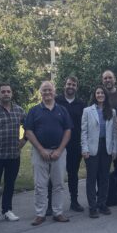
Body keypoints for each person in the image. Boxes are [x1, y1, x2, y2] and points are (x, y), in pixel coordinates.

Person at [25, 81, 72, 225]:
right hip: (40, 152)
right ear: (40, 93)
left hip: (59, 152)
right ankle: (40, 213)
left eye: (49, 90)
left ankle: (58, 212)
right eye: (44, 90)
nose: (47, 93)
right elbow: (28, 131)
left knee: (58, 184)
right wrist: (41, 150)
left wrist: (59, 150)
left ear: (54, 92)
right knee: (40, 185)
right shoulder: (34, 110)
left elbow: (68, 130)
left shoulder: (62, 110)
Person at [0, 83, 26, 224]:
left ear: (12, 93)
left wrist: (24, 139)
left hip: (13, 154)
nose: (6, 94)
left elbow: (28, 126)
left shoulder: (19, 110)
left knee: (10, 183)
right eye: (3, 91)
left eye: (8, 91)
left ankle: (7, 210)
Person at [81, 85, 117, 218]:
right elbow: (84, 131)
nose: (100, 95)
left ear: (105, 95)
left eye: (102, 93)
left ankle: (102, 203)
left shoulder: (112, 112)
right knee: (91, 178)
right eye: (98, 93)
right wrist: (84, 148)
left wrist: (115, 149)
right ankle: (92, 206)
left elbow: (115, 132)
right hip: (92, 147)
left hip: (106, 147)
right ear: (94, 95)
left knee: (104, 177)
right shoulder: (87, 111)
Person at [51, 76, 86, 213]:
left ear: (76, 87)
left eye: (74, 85)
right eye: (69, 84)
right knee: (53, 175)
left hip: (75, 144)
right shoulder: (56, 101)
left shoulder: (81, 104)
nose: (71, 86)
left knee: (73, 174)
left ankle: (74, 201)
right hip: (57, 144)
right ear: (64, 85)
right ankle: (50, 204)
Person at [102, 70, 117, 207]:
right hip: (103, 137)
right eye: (105, 78)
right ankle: (104, 196)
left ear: (115, 79)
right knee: (104, 168)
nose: (107, 80)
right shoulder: (98, 93)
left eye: (110, 77)